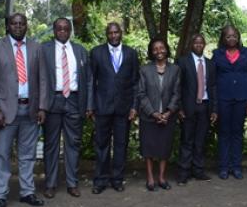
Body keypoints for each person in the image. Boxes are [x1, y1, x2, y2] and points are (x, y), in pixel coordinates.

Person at [0, 13, 46, 207]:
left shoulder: (36, 47)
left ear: (27, 25)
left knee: (28, 154)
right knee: (2, 154)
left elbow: (43, 80)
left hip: (30, 109)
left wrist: (42, 107)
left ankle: (27, 192)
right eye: (14, 23)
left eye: (22, 23)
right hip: (5, 111)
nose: (18, 27)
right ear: (8, 26)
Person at [40, 18, 92, 198]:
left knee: (73, 143)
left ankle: (72, 183)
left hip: (74, 101)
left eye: (65, 29)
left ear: (70, 31)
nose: (62, 32)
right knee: (51, 144)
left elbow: (89, 80)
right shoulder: (43, 49)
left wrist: (88, 105)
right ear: (54, 30)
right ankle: (51, 183)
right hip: (52, 100)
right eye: (59, 29)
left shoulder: (80, 51)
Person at [87, 22, 139, 194]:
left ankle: (117, 179)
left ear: (121, 33)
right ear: (106, 34)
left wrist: (134, 106)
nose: (114, 36)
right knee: (101, 145)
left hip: (123, 109)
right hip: (102, 107)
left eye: (116, 32)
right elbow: (90, 81)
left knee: (120, 145)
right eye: (110, 33)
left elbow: (135, 83)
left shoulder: (131, 53)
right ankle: (100, 180)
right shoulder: (96, 53)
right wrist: (91, 106)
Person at [211, 25, 247, 180]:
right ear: (223, 38)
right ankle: (223, 167)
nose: (231, 39)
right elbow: (213, 81)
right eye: (228, 36)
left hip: (241, 99)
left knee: (237, 133)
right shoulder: (217, 55)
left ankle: (236, 167)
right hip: (224, 99)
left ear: (238, 37)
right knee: (223, 133)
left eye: (234, 36)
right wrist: (215, 103)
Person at [137, 38, 181, 191]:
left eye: (161, 47)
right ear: (151, 51)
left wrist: (168, 112)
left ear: (166, 49)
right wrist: (154, 113)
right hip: (149, 117)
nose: (159, 51)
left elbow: (177, 93)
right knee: (148, 149)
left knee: (164, 148)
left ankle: (162, 177)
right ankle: (150, 178)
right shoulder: (144, 70)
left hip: (168, 117)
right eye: (155, 48)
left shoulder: (175, 69)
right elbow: (141, 94)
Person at [176, 34, 217, 186]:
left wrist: (214, 109)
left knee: (200, 141)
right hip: (188, 107)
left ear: (204, 44)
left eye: (201, 42)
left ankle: (198, 170)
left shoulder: (210, 64)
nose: (199, 45)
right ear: (191, 44)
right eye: (196, 42)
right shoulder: (183, 62)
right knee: (187, 140)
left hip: (205, 106)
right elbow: (178, 86)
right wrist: (179, 107)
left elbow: (213, 87)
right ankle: (183, 173)